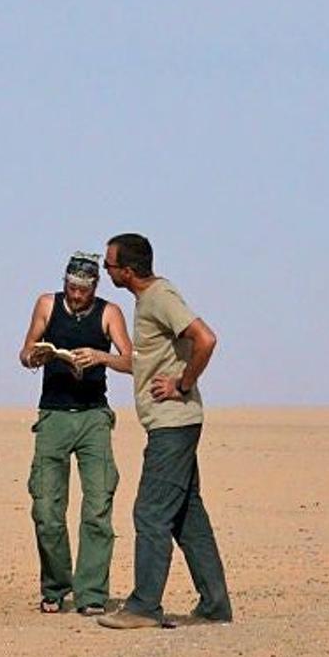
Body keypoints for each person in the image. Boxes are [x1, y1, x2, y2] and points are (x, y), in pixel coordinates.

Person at [97, 233, 233, 630]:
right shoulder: (147, 302)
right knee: (188, 516)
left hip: (174, 425)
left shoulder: (160, 297)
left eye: (109, 266)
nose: (106, 272)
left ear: (128, 270)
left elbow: (205, 339)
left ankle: (144, 606)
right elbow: (144, 363)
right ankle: (214, 605)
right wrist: (103, 358)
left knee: (151, 512)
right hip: (172, 425)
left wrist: (183, 383)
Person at [19, 252, 133, 615]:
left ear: (94, 287)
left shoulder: (109, 312)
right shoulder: (46, 304)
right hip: (53, 416)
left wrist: (100, 358)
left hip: (93, 418)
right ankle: (55, 588)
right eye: (70, 287)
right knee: (47, 508)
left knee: (98, 507)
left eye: (82, 290)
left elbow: (131, 361)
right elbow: (25, 351)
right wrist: (35, 356)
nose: (75, 294)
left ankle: (92, 594)